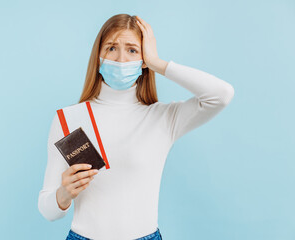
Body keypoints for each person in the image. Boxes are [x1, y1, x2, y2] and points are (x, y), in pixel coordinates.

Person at [38, 14, 234, 240]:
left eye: (132, 50)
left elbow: (221, 95)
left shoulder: (163, 117)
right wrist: (63, 195)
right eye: (111, 48)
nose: (121, 59)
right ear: (98, 56)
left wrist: (158, 64)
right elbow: (47, 210)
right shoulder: (68, 118)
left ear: (143, 60)